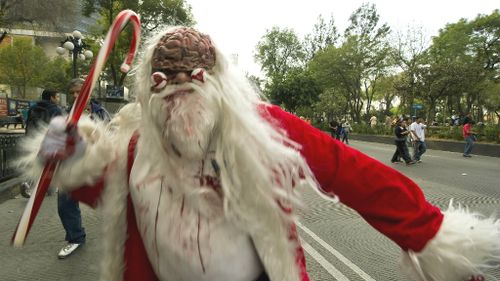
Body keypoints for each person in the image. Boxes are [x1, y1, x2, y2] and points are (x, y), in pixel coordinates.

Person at [21, 27, 498, 281]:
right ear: (149, 87)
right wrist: (72, 155)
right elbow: (107, 195)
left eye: (193, 75)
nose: (178, 87)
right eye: (165, 78)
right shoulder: (134, 145)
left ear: (216, 79)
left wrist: (429, 235)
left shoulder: (261, 128)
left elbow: (351, 172)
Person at [55, 79, 87, 259]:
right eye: (72, 92)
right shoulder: (64, 115)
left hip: (96, 166)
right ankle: (76, 237)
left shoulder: (99, 113)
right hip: (71, 166)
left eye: (79, 92)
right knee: (65, 205)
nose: (75, 96)